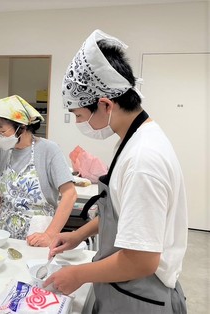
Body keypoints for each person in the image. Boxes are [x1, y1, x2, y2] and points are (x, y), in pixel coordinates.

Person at [44, 30, 187, 313]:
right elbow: (123, 211)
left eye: (79, 116)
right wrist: (79, 234)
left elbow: (141, 260)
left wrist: (78, 274)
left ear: (106, 104)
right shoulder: (132, 138)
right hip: (123, 286)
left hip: (142, 294)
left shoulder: (143, 160)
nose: (79, 124)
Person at [0, 95, 77, 247]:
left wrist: (50, 235)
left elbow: (69, 194)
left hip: (38, 235)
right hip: (4, 233)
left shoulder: (49, 150)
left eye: (2, 132)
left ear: (22, 127)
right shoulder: (2, 152)